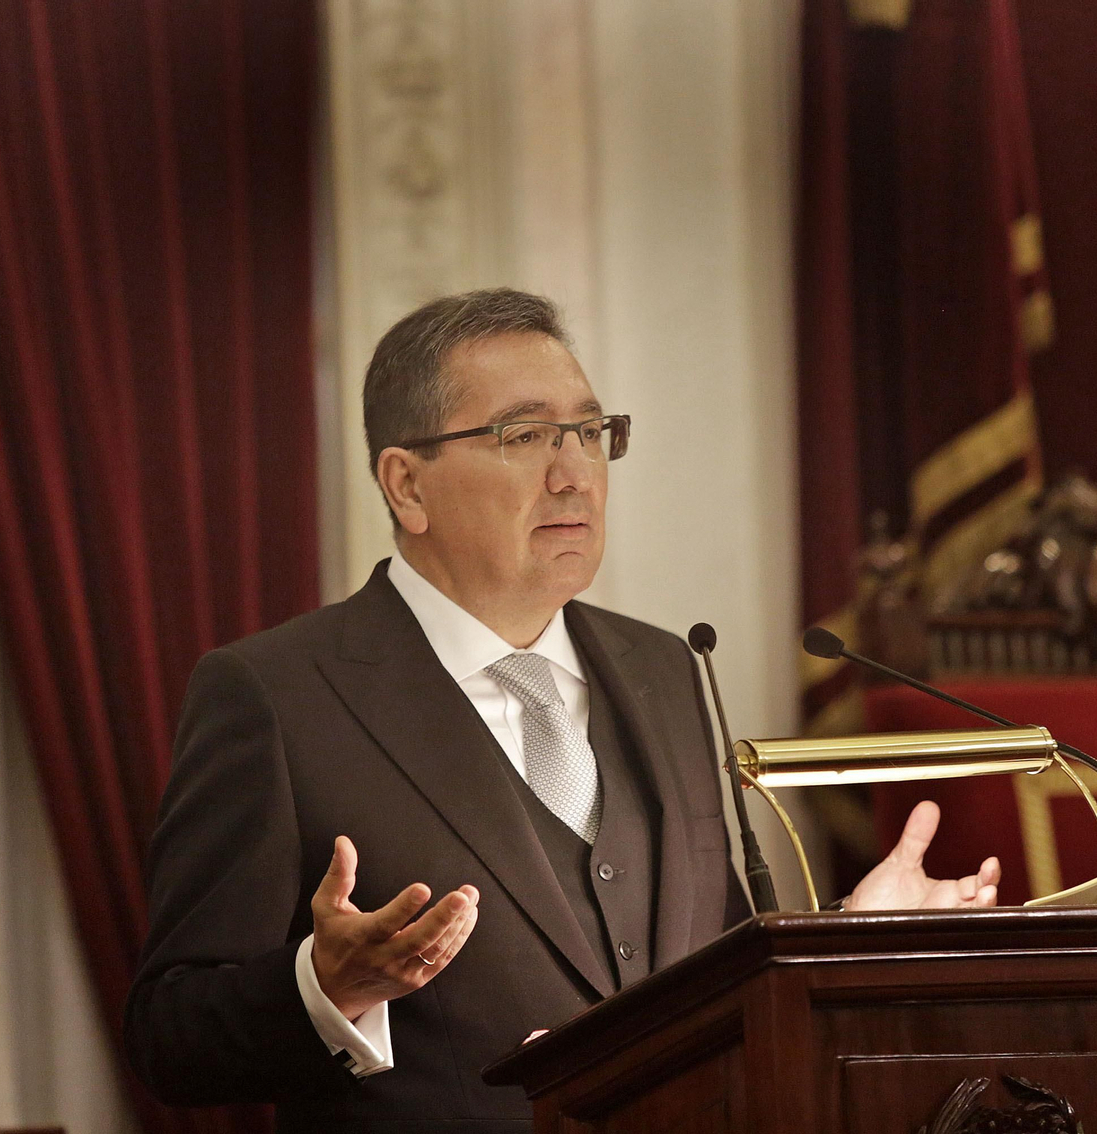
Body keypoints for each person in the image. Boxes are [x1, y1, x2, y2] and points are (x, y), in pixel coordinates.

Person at [124, 289, 1000, 1132]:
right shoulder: (275, 696)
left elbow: (713, 978)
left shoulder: (663, 666)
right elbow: (171, 1039)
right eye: (524, 435)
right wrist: (326, 983)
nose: (574, 472)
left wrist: (843, 939)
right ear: (406, 485)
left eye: (589, 431)